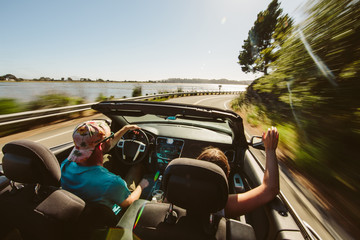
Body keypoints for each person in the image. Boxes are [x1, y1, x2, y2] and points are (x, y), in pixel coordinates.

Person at [61, 120, 149, 212]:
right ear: (101, 146)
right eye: (110, 137)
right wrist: (142, 186)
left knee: (108, 157)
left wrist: (124, 129)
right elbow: (128, 202)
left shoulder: (65, 164)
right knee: (137, 167)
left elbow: (104, 145)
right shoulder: (112, 182)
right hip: (109, 214)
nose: (112, 138)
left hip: (82, 211)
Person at [197, 126, 279, 218]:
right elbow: (270, 189)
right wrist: (270, 149)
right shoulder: (221, 206)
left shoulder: (179, 193)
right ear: (226, 177)